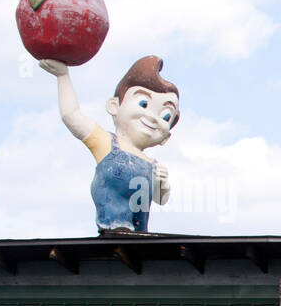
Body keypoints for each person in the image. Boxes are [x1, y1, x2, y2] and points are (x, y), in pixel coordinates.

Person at [40, 55, 179, 233]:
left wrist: (162, 184)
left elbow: (160, 199)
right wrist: (62, 76)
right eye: (143, 103)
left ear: (166, 137)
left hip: (140, 235)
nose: (152, 117)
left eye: (165, 116)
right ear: (114, 106)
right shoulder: (107, 143)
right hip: (113, 229)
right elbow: (72, 116)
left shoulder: (153, 165)